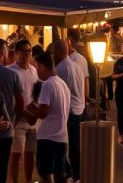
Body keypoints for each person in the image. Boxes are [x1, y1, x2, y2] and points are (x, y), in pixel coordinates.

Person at [26, 53, 71, 183]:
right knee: (59, 172)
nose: (37, 71)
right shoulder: (62, 84)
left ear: (42, 66)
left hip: (47, 137)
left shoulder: (47, 85)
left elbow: (43, 112)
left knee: (45, 173)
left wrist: (30, 110)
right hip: (62, 136)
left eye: (36, 67)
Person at [0, 38, 22, 183]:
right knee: (2, 168)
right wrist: (14, 120)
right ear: (3, 52)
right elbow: (20, 101)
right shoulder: (11, 74)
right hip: (5, 128)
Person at [54, 39, 86, 181]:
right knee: (75, 145)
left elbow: (60, 92)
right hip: (79, 108)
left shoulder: (61, 67)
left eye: (54, 52)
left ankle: (72, 174)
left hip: (70, 111)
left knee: (67, 146)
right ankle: (77, 174)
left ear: (59, 52)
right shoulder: (76, 66)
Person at [8, 40, 39, 183]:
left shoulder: (33, 70)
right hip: (18, 118)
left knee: (30, 153)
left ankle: (28, 180)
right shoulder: (11, 71)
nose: (28, 54)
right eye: (25, 51)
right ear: (17, 53)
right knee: (15, 154)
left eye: (30, 51)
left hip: (32, 118)